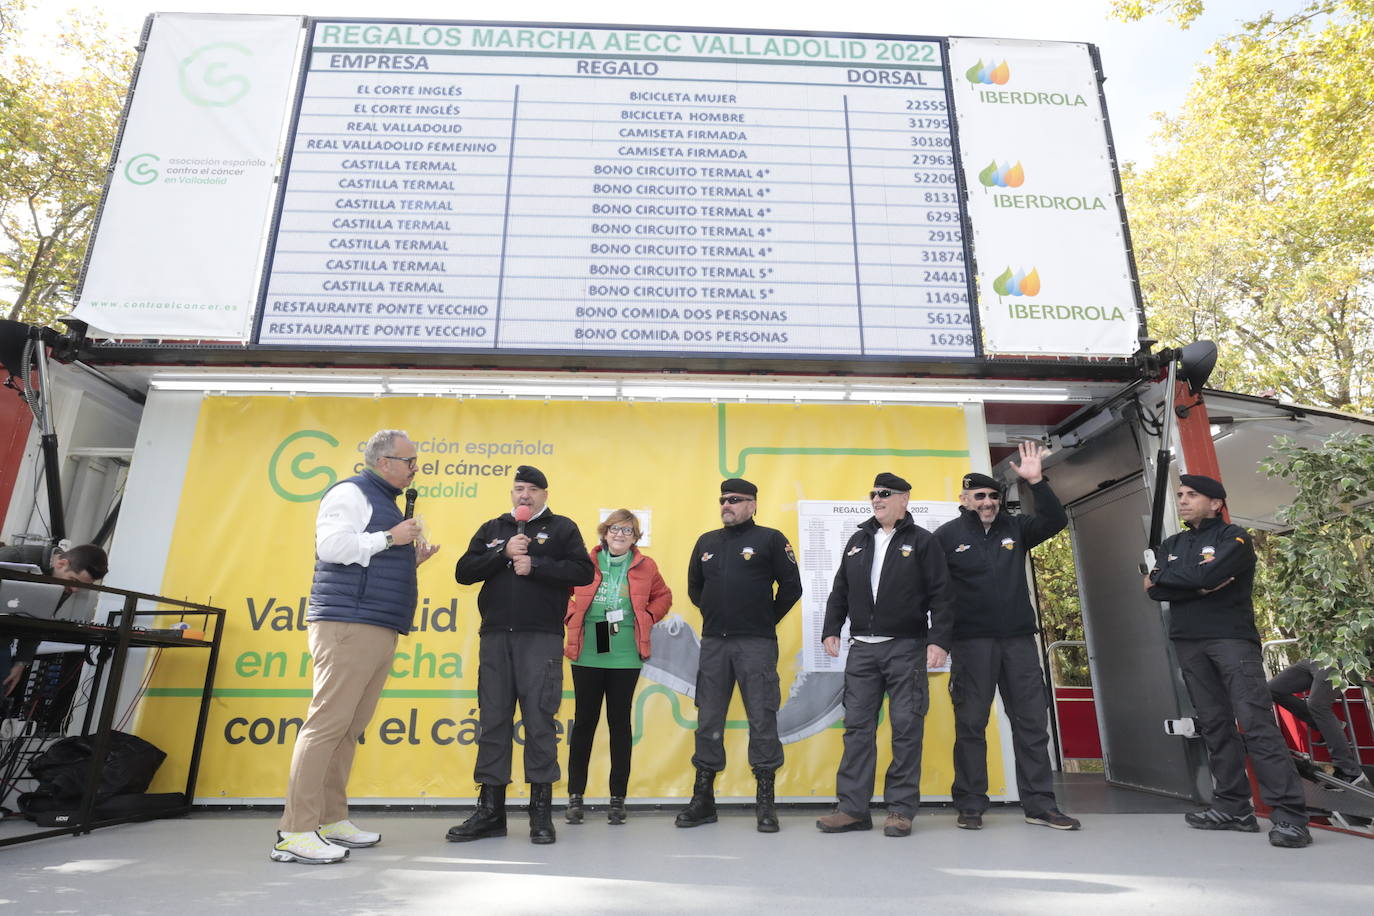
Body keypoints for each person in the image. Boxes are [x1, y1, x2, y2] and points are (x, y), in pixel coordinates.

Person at [272, 429, 439, 865]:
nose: (414, 468)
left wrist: (407, 556)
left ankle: (330, 820)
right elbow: (331, 548)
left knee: (348, 729)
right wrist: (390, 539)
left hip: (377, 624)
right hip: (349, 623)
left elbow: (365, 553)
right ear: (384, 462)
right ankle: (295, 830)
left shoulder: (384, 500)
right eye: (409, 460)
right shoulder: (351, 492)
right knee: (326, 726)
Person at [1145, 473, 1311, 848]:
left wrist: (1183, 580)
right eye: (1181, 495)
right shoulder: (1172, 543)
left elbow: (1202, 573)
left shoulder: (1234, 538)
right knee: (1216, 726)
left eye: (1192, 495)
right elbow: (1155, 588)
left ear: (1216, 503)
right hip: (1189, 642)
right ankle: (1234, 807)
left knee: (1256, 724)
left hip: (1232, 641)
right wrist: (1198, 583)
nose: (1183, 500)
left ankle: (1289, 817)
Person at [935, 441, 1081, 831]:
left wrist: (1037, 481)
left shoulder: (1016, 528)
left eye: (993, 496)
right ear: (964, 499)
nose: (987, 501)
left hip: (1018, 642)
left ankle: (1040, 805)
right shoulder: (945, 537)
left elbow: (1054, 521)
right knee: (970, 724)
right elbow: (935, 594)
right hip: (971, 644)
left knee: (1032, 724)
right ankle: (970, 804)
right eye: (979, 495)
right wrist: (937, 640)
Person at [448, 466, 593, 845]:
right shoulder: (493, 529)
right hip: (495, 638)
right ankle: (490, 812)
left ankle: (540, 814)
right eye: (518, 489)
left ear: (545, 494)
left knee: (540, 722)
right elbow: (463, 572)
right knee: (493, 720)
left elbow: (582, 571)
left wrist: (538, 566)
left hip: (540, 639)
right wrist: (503, 555)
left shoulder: (562, 528)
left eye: (531, 489)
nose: (523, 495)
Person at [816, 473, 951, 837]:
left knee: (907, 727)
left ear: (904, 499)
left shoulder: (923, 542)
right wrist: (831, 629)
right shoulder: (858, 540)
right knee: (857, 729)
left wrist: (939, 640)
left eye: (885, 494)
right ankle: (853, 809)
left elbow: (942, 594)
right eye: (873, 493)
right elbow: (839, 589)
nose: (877, 499)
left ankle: (900, 809)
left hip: (906, 648)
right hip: (862, 651)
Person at [675, 477, 802, 833]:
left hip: (756, 644)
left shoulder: (771, 540)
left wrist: (764, 618)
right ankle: (703, 800)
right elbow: (694, 588)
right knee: (709, 720)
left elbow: (792, 587)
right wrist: (718, 613)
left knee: (762, 718)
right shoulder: (707, 542)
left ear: (752, 505)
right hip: (715, 643)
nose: (726, 505)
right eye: (723, 500)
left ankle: (765, 802)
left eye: (734, 499)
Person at [562, 509, 672, 825]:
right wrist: (570, 615)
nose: (620, 534)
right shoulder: (585, 562)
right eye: (614, 528)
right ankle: (575, 797)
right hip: (587, 653)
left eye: (627, 530)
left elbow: (664, 597)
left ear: (636, 537)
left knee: (619, 724)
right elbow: (562, 594)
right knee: (583, 723)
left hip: (625, 655)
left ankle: (617, 799)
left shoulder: (646, 566)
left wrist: (648, 618)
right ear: (604, 532)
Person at [0, 543, 109, 698]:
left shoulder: (64, 584)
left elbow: (38, 621)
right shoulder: (14, 557)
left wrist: (21, 662)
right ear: (60, 563)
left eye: (82, 586)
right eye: (74, 581)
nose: (75, 590)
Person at [1269, 659, 1370, 787]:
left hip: (1338, 657)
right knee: (1271, 689)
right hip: (1315, 657)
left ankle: (1349, 771)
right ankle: (1323, 725)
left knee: (1318, 705)